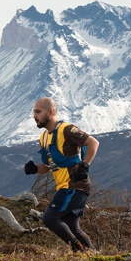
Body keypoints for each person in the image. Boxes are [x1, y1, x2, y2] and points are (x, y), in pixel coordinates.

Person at [24, 97, 99, 252]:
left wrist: (85, 165)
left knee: (50, 218)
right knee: (73, 227)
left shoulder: (66, 130)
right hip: (65, 186)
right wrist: (35, 169)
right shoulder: (44, 137)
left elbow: (93, 143)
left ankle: (78, 250)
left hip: (75, 185)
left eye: (38, 111)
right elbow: (51, 167)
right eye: (33, 112)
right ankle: (92, 256)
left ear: (50, 112)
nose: (34, 116)